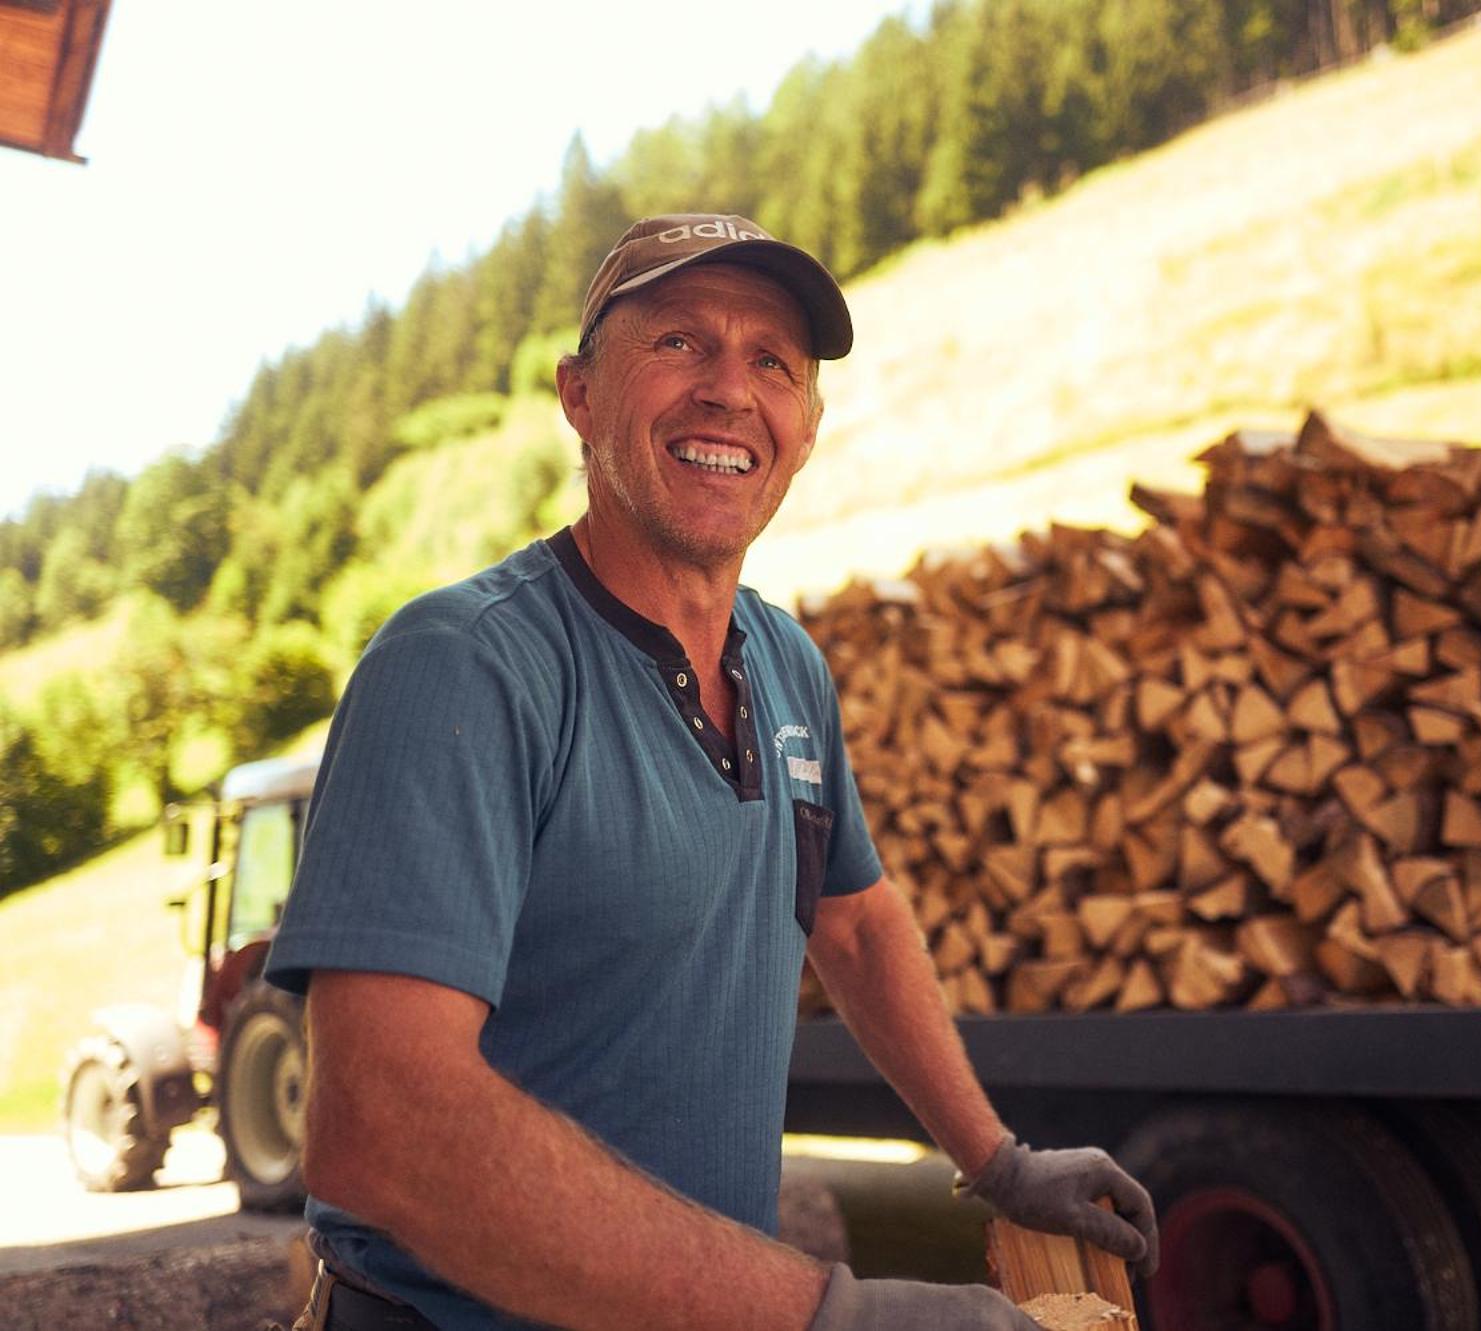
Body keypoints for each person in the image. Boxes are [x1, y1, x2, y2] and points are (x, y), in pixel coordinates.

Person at [262, 214, 1158, 1331]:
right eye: (678, 343)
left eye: (771, 361)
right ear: (578, 395)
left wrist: (998, 1157)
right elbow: (378, 1122)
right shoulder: (462, 667)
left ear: (806, 429)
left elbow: (857, 924)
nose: (730, 390)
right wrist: (836, 1314)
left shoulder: (788, 664)